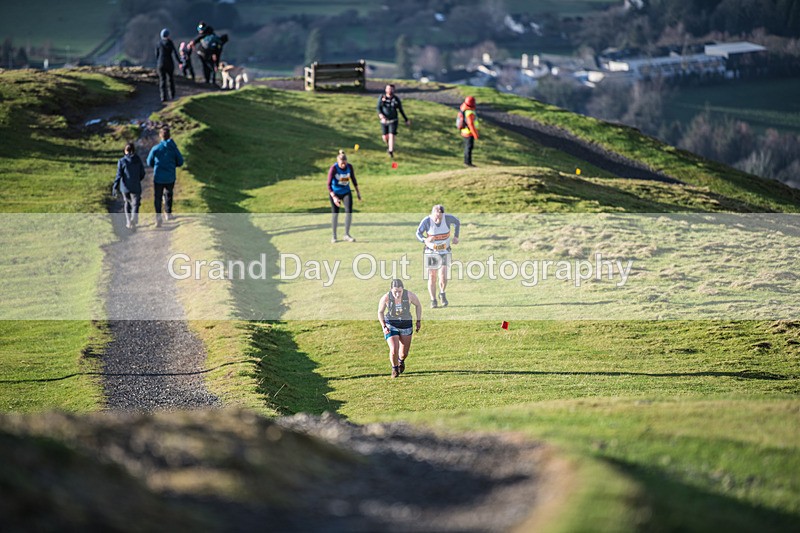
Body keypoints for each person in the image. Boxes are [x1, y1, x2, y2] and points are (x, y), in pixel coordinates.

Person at [416, 204, 461, 308]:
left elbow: (457, 222)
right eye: (436, 216)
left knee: (443, 275)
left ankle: (442, 293)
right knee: (432, 276)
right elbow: (418, 233)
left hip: (445, 251)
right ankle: (433, 300)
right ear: (433, 213)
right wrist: (425, 239)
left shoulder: (448, 218)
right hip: (431, 251)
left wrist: (456, 237)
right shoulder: (427, 221)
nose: (438, 219)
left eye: (440, 216)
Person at [378, 279, 422, 378]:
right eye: (395, 292)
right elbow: (380, 312)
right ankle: (394, 368)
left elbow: (418, 305)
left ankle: (400, 361)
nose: (397, 294)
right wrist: (384, 326)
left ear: (403, 289)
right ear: (391, 290)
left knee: (404, 353)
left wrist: (418, 320)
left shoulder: (410, 295)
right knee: (394, 349)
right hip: (391, 324)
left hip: (406, 324)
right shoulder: (386, 297)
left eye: (399, 291)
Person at [146, 126, 184, 227]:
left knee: (157, 197)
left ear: (160, 136)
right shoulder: (173, 148)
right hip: (170, 176)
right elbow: (180, 162)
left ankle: (158, 217)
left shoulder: (156, 148)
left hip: (158, 176)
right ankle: (168, 213)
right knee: (169, 194)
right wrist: (172, 165)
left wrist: (156, 165)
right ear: (169, 136)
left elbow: (149, 161)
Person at [327, 149, 362, 243]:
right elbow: (328, 185)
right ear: (338, 162)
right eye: (341, 164)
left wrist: (358, 192)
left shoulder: (349, 167)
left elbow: (353, 180)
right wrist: (334, 197)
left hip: (346, 192)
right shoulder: (333, 168)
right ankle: (334, 236)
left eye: (344, 163)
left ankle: (347, 234)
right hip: (335, 193)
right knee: (335, 214)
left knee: (349, 212)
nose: (343, 165)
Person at [112, 142, 146, 230]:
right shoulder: (138, 159)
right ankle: (133, 219)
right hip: (136, 186)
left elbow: (118, 175)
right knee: (135, 204)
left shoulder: (121, 161)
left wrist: (115, 186)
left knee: (127, 203)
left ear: (125, 151)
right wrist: (137, 179)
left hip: (125, 187)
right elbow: (142, 173)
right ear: (134, 150)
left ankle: (128, 222)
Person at [376, 84, 411, 159]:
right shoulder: (382, 98)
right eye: (388, 89)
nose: (390, 90)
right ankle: (389, 145)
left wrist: (406, 119)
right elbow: (378, 108)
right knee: (385, 137)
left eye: (391, 89)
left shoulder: (396, 99)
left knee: (391, 135)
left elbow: (400, 110)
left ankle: (390, 151)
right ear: (385, 90)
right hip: (384, 121)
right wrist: (381, 116)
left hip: (393, 120)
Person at [155, 28, 181, 102]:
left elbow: (157, 54)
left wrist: (158, 62)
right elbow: (175, 53)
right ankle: (172, 95)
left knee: (162, 80)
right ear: (168, 35)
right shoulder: (170, 42)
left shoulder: (158, 43)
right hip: (169, 63)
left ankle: (163, 97)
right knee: (170, 80)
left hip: (160, 63)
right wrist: (180, 62)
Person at [459, 95, 479, 167]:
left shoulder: (463, 109)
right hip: (469, 132)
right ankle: (468, 163)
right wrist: (475, 134)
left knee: (467, 147)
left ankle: (467, 161)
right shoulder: (469, 112)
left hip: (464, 131)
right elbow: (471, 124)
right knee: (469, 147)